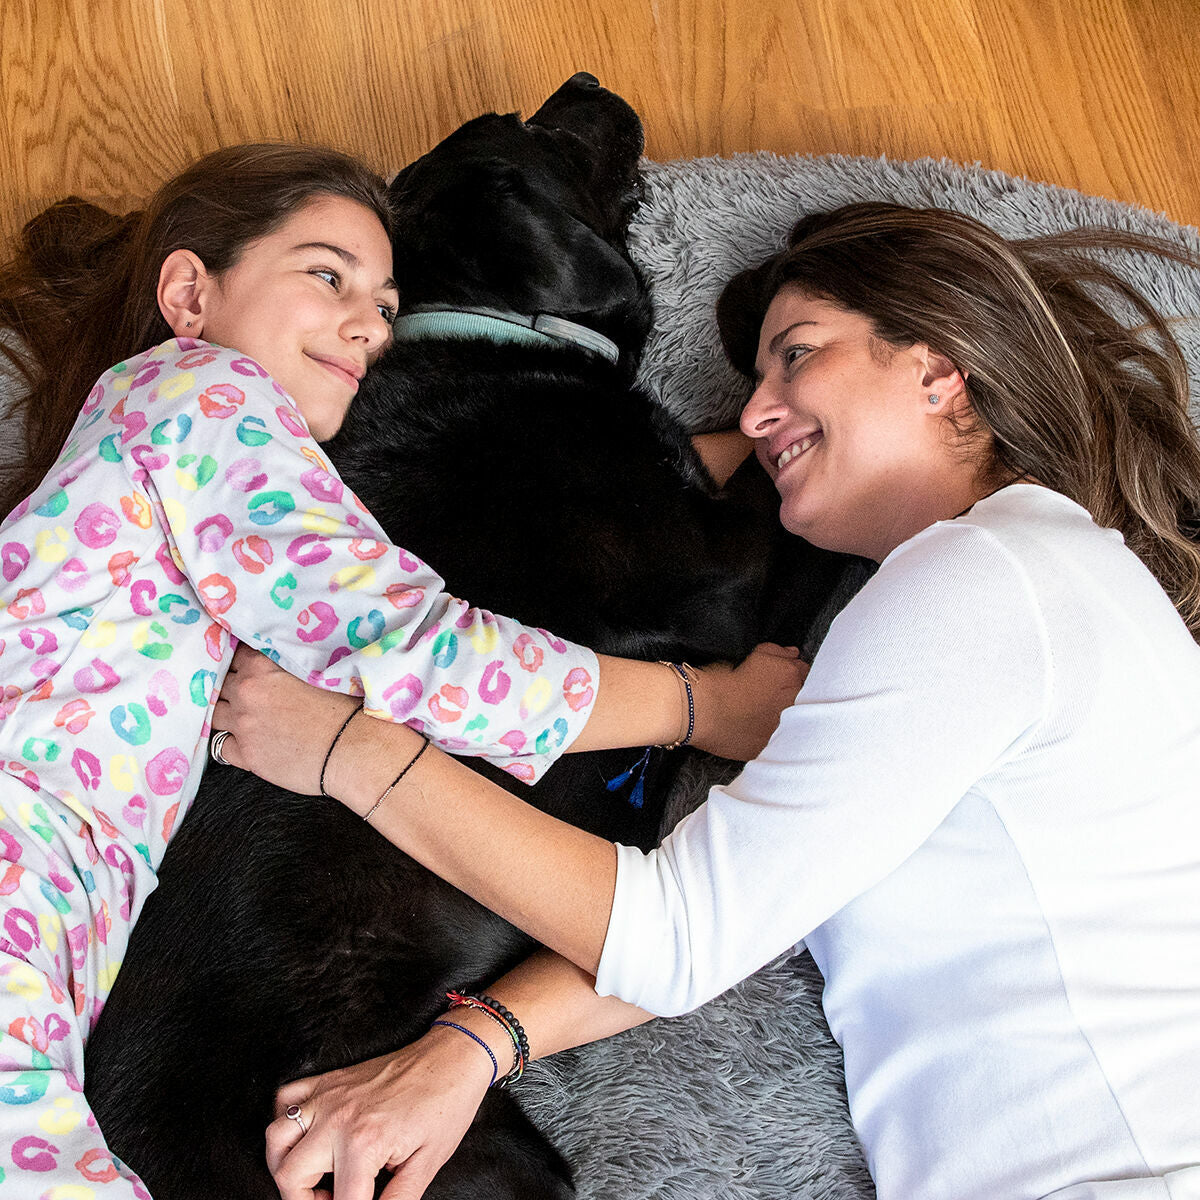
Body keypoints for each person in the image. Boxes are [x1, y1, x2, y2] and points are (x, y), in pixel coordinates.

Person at [216, 202, 1200, 1200]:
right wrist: (468, 1049)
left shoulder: (982, 582)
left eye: (797, 356)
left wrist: (350, 753)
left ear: (937, 370)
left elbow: (683, 935)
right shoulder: (1016, 582)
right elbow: (741, 905)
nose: (760, 414)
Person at [0, 143, 802, 1197]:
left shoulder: (167, 428)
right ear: (191, 295)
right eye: (327, 275)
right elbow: (414, 650)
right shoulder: (205, 396)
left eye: (386, 302)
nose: (370, 325)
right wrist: (699, 706)